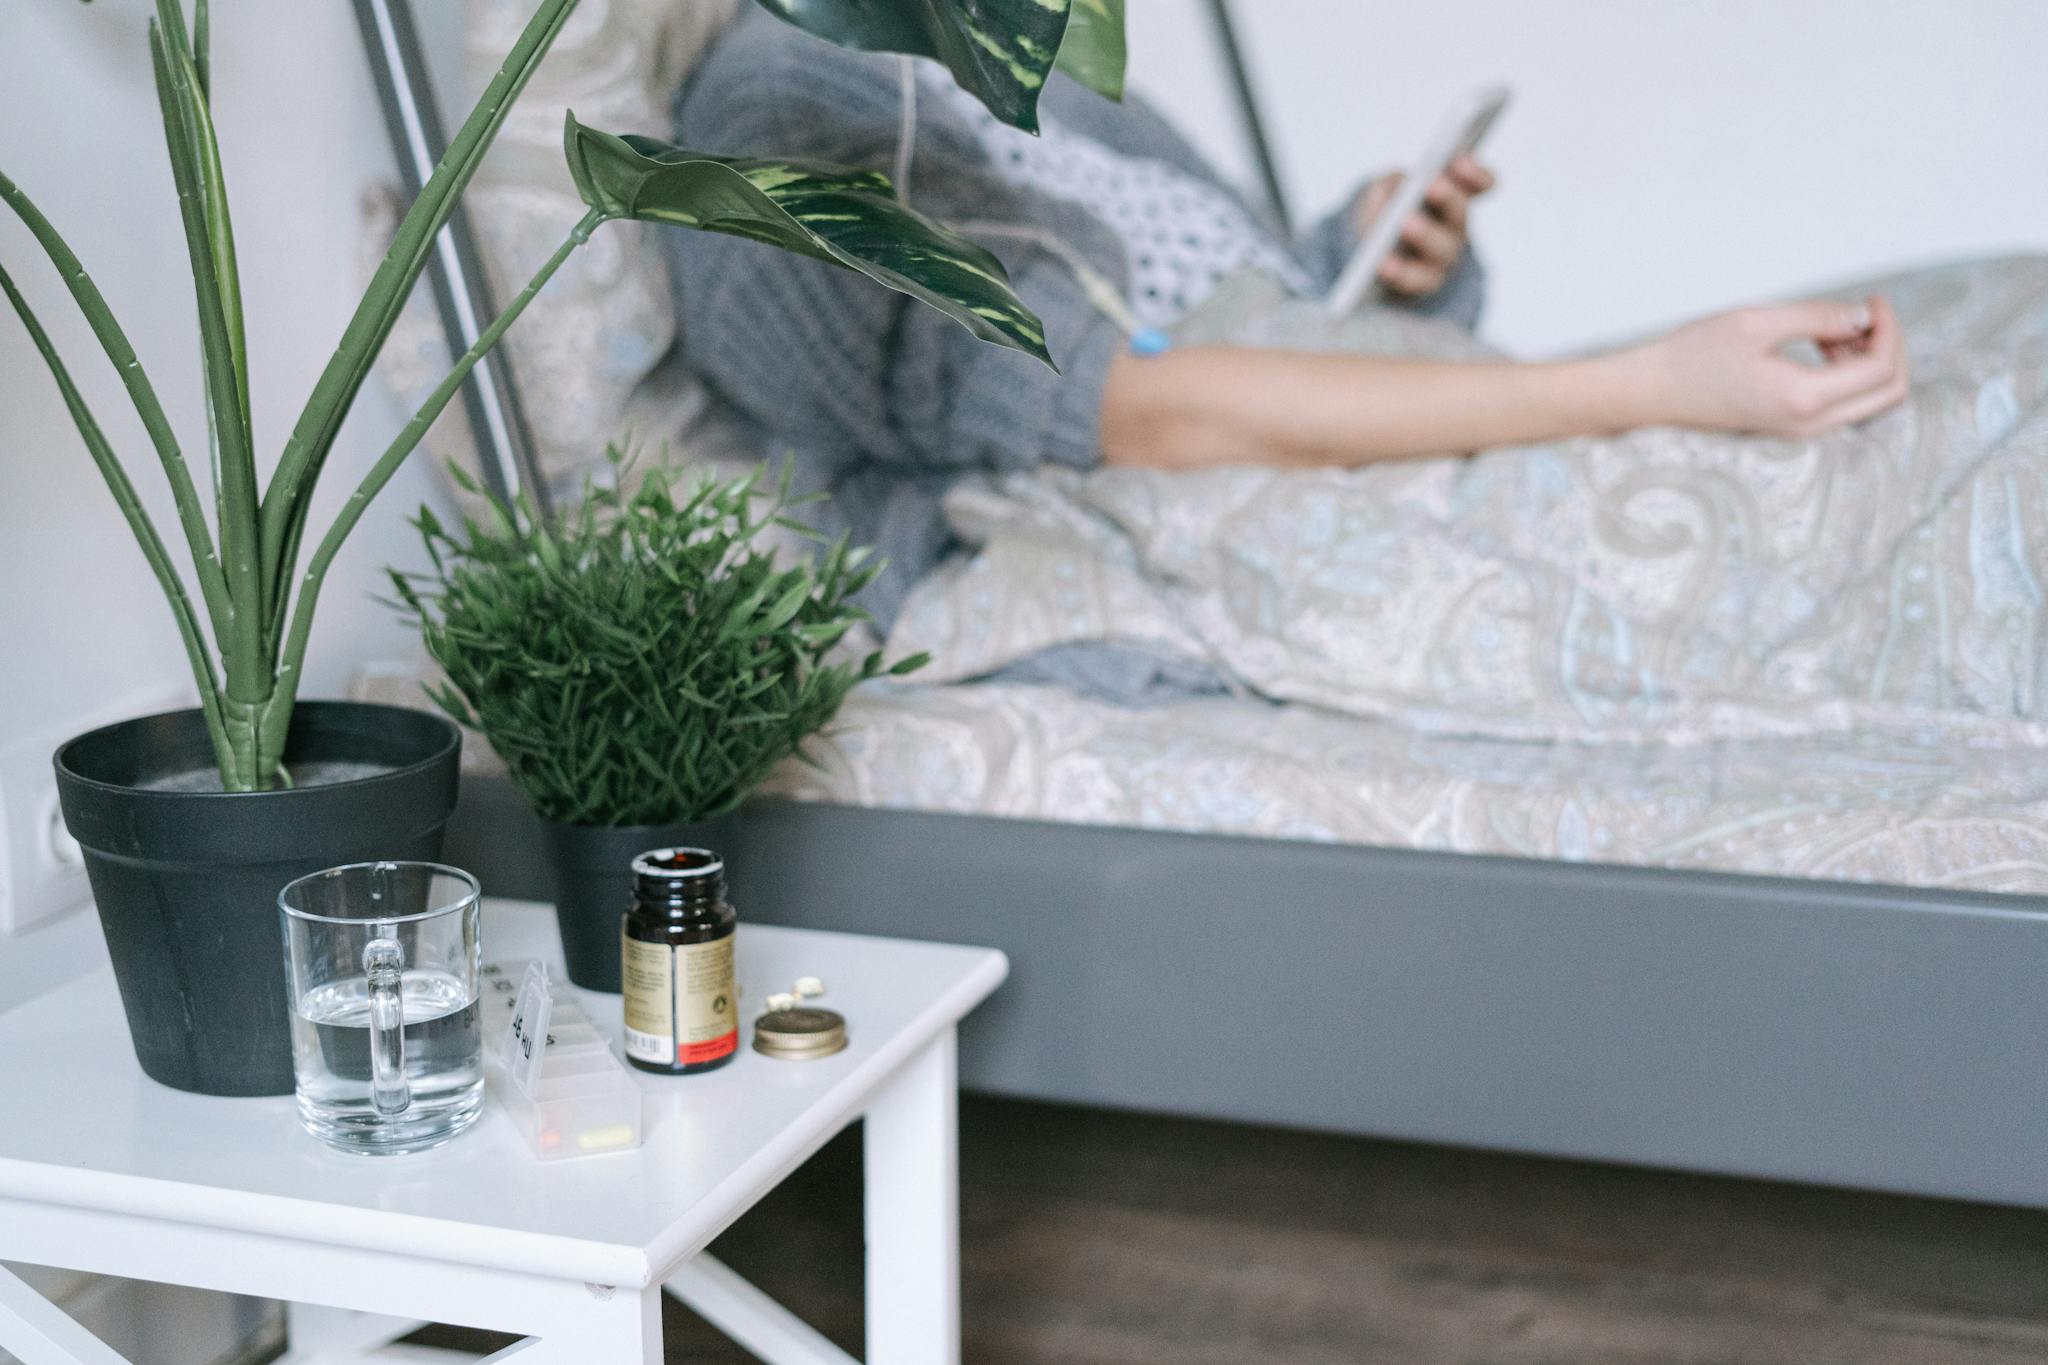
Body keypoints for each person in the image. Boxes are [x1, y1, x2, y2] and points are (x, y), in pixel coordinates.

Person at [664, 8, 1909, 618]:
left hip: (1309, 390)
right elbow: (1145, 405)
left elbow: (1225, 303)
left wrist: (1365, 253)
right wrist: (1646, 385)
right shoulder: (782, 128)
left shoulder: (995, 59)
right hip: (1197, 459)